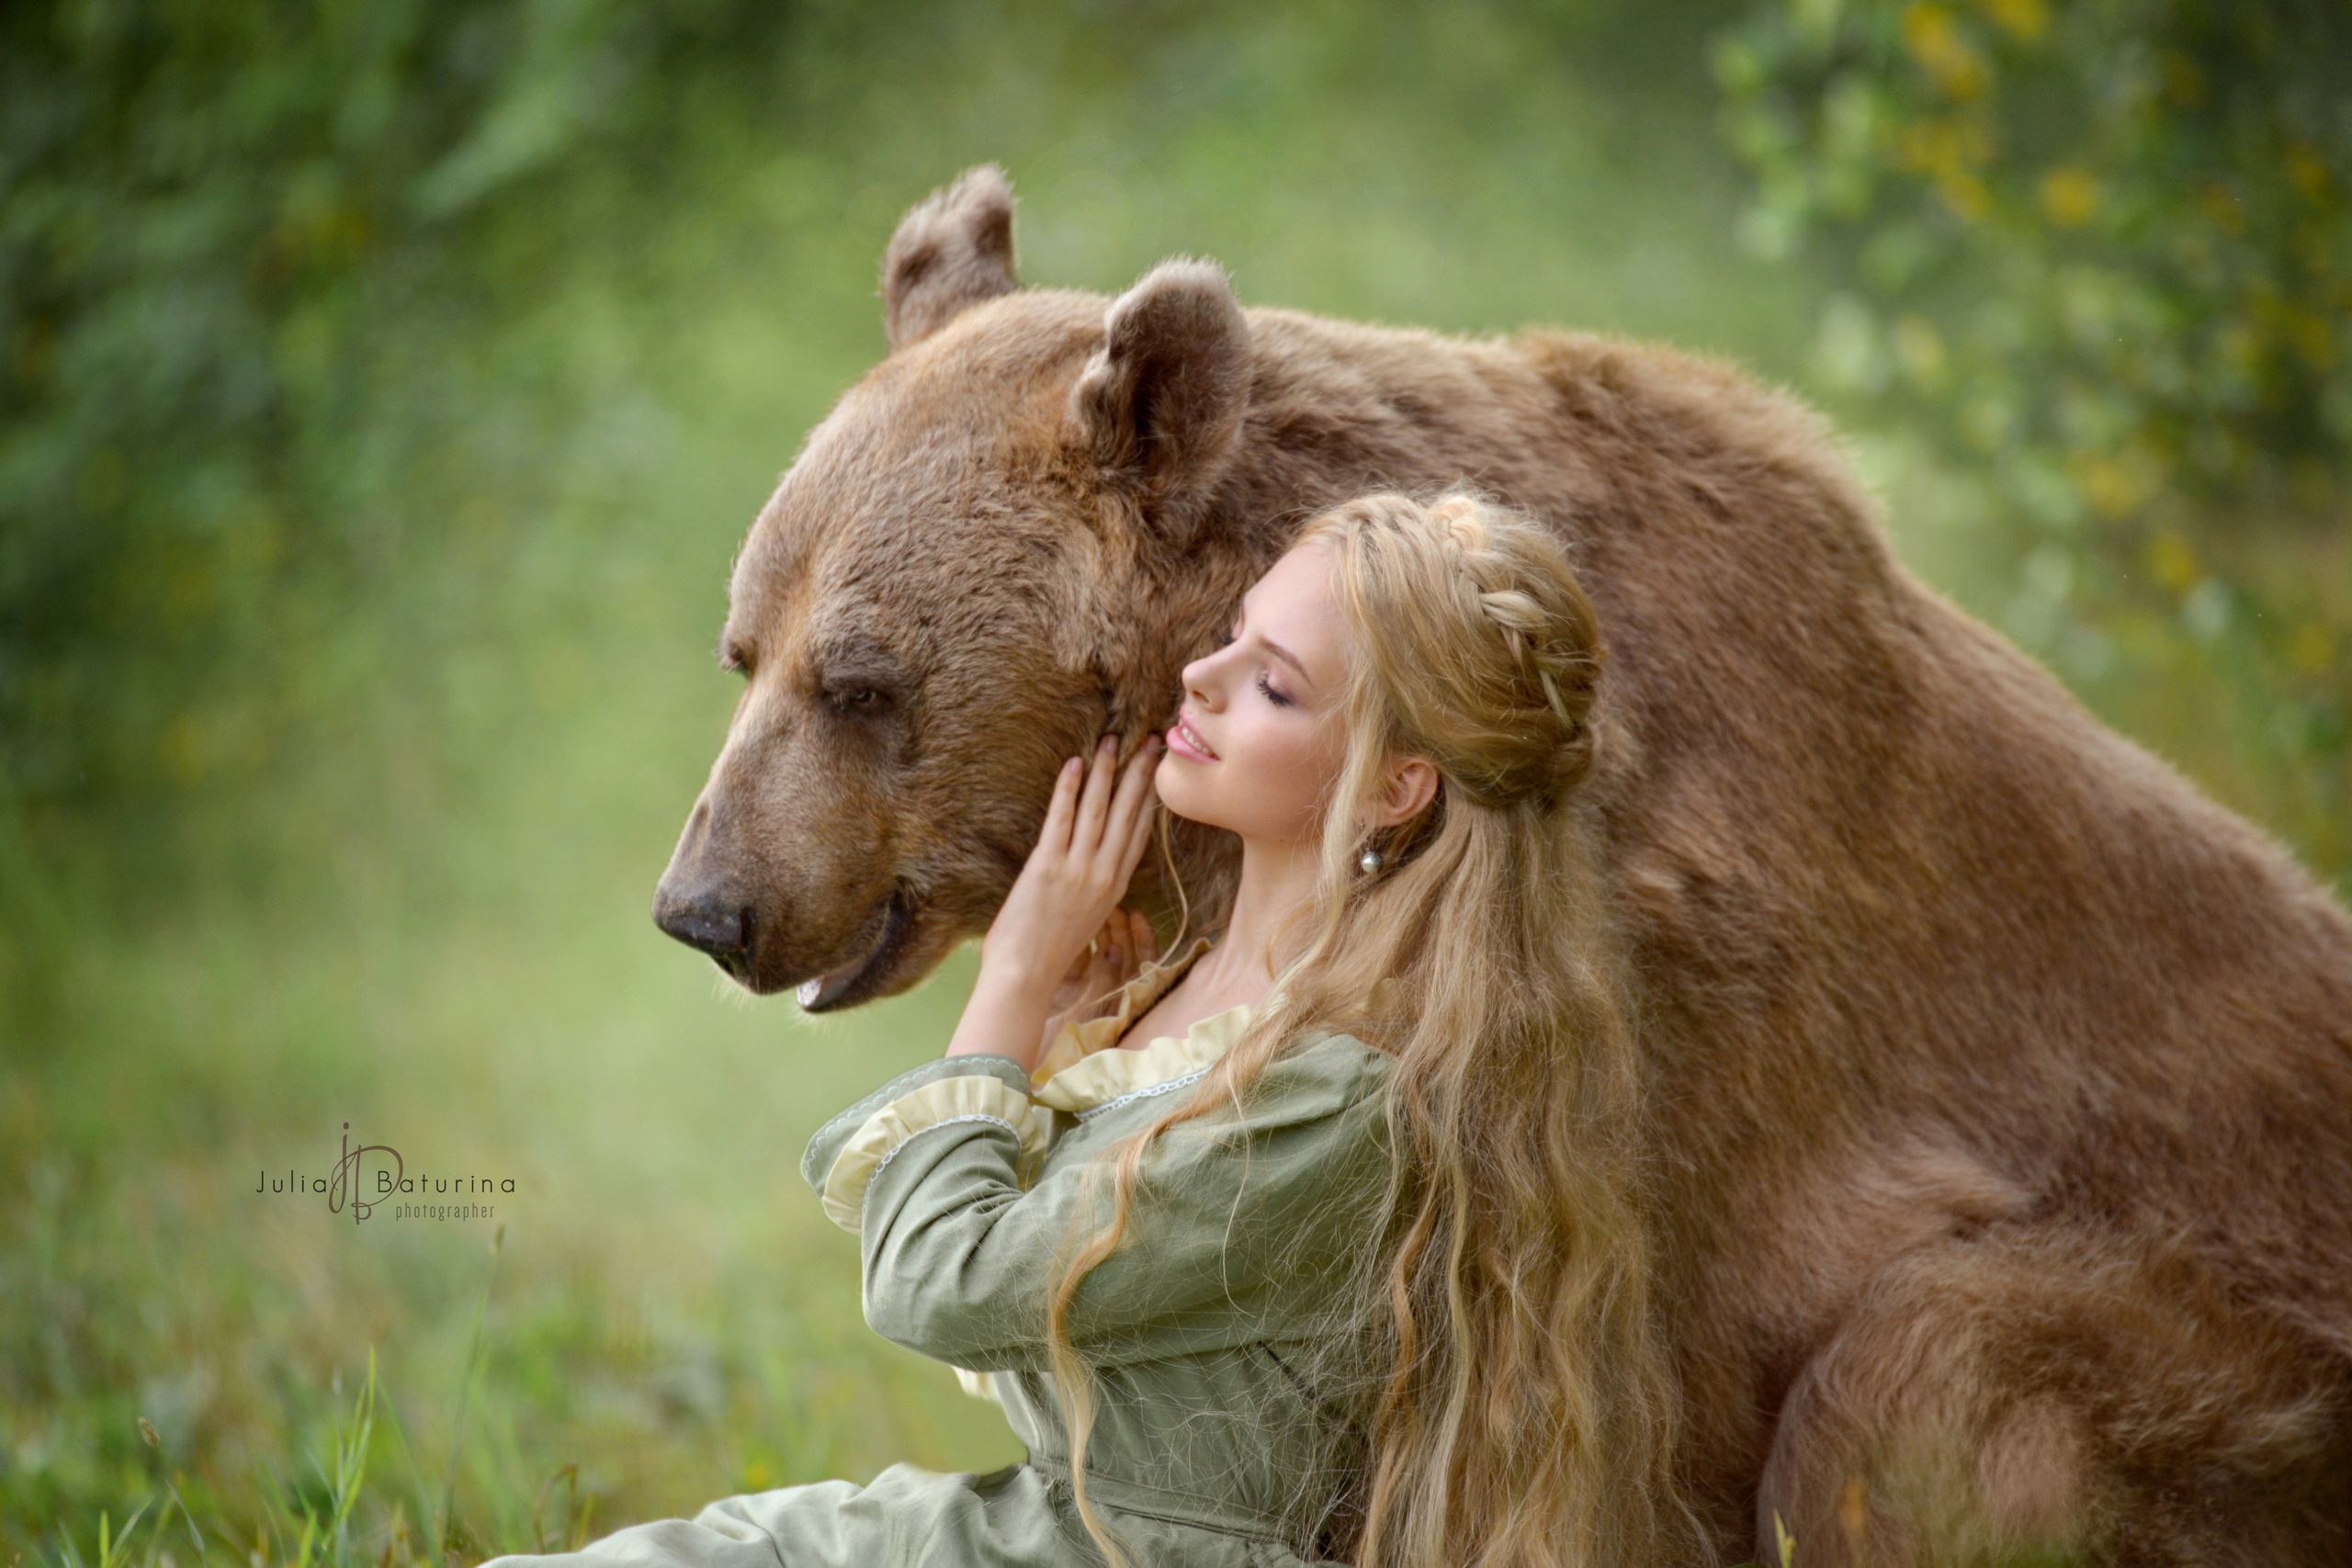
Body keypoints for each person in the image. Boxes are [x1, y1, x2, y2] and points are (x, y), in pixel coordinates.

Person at [479, 492, 1700, 1568]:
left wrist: (1010, 981)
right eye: (1229, 639)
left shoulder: (1341, 1094)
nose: (1203, 683)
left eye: (1274, 683)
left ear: (1396, 786)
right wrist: (1064, 1033)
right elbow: (1051, 1347)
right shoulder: (1173, 994)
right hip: (1022, 1526)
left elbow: (942, 1287)